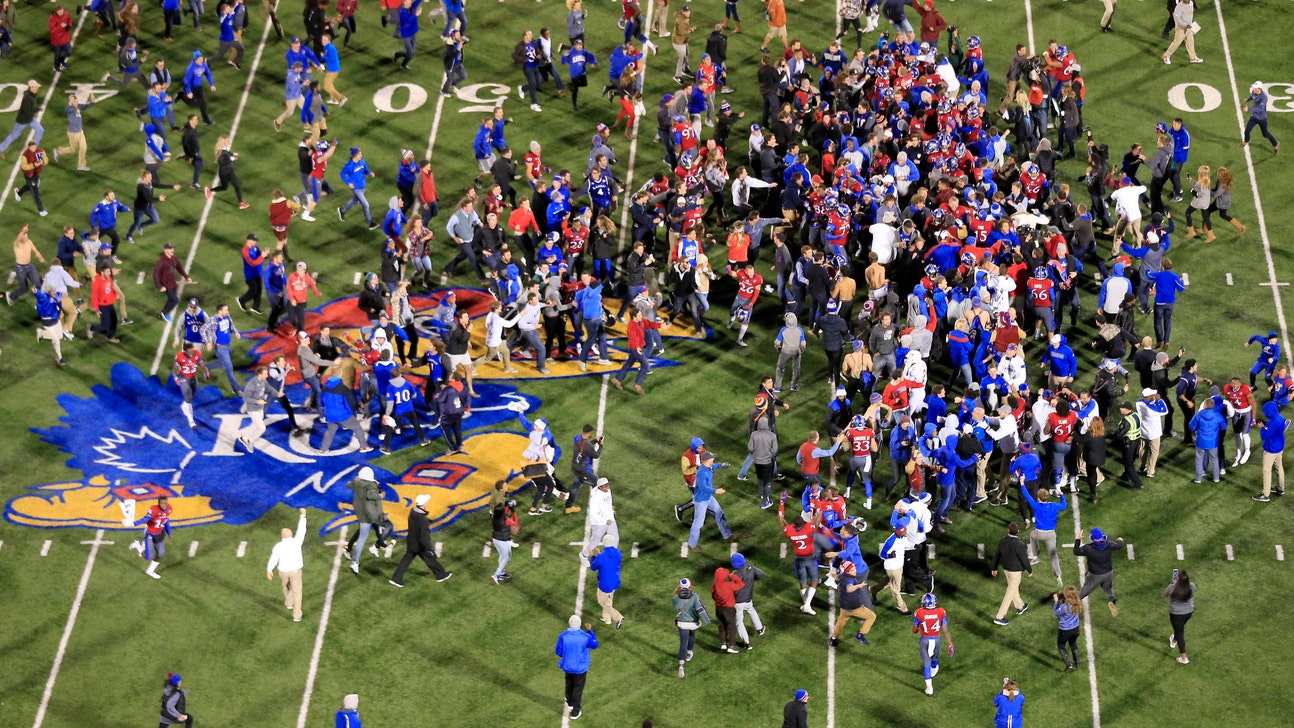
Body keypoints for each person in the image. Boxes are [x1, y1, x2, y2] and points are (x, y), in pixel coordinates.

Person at [266, 507, 308, 622]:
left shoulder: (278, 546)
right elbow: (302, 530)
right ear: (291, 535)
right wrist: (303, 516)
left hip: (283, 572)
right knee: (297, 592)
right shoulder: (296, 541)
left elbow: (273, 558)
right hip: (295, 571)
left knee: (286, 587)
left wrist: (269, 570)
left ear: (282, 536)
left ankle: (289, 603)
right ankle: (297, 615)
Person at [688, 451, 736, 549]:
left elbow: (714, 465)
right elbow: (703, 487)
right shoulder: (701, 472)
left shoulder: (708, 466)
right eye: (712, 458)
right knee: (698, 523)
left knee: (719, 513)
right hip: (701, 500)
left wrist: (722, 465)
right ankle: (692, 544)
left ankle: (727, 535)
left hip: (708, 497)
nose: (713, 459)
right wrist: (716, 491)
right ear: (707, 460)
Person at [555, 615, 598, 721]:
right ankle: (575, 712)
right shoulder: (585, 636)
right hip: (580, 668)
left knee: (569, 684)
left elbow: (558, 652)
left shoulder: (563, 636)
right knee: (578, 689)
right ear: (579, 624)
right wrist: (590, 631)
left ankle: (569, 702)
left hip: (568, 666)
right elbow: (594, 644)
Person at [1075, 527, 1125, 617]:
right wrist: (1119, 540)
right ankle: (1112, 599)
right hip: (1108, 572)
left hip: (1095, 575)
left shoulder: (1088, 548)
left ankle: (1075, 606)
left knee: (1083, 592)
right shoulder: (1109, 545)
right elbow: (1119, 545)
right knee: (1108, 587)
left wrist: (1078, 539)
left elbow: (1076, 551)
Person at [991, 521, 1033, 626]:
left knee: (1013, 589)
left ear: (1008, 530)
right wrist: (1029, 570)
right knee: (1010, 592)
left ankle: (1020, 606)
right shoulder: (1020, 544)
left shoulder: (1003, 541)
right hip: (1015, 571)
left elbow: (997, 555)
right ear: (1018, 531)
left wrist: (994, 568)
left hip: (1006, 569)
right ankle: (999, 617)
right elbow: (1024, 559)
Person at [913, 592, 954, 696]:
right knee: (934, 657)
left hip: (925, 640)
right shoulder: (941, 611)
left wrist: (917, 628)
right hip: (937, 639)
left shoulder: (919, 612)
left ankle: (929, 688)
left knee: (926, 663)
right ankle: (935, 667)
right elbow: (945, 630)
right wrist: (950, 644)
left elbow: (914, 630)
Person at [829, 560, 876, 647]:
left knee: (840, 623)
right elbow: (849, 588)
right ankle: (861, 635)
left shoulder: (842, 576)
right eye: (852, 570)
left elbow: (837, 577)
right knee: (872, 617)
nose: (854, 571)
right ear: (847, 571)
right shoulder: (850, 580)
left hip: (844, 608)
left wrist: (833, 574)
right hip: (855, 608)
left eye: (854, 568)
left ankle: (833, 639)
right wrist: (859, 586)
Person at [672, 577, 709, 678]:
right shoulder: (694, 596)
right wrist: (707, 620)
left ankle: (681, 666)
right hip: (693, 623)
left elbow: (675, 607)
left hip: (682, 623)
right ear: (690, 586)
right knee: (692, 635)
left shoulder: (675, 598)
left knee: (682, 643)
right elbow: (699, 609)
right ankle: (689, 653)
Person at [729, 552, 765, 649]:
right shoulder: (751, 568)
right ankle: (760, 628)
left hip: (738, 602)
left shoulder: (736, 574)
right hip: (748, 599)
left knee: (739, 622)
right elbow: (761, 574)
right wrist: (752, 578)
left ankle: (746, 642)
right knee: (751, 610)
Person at [0, 80, 44, 158]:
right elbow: (28, 110)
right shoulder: (27, 98)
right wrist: (38, 109)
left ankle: (33, 149)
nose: (37, 88)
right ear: (31, 87)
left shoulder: (33, 94)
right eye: (36, 87)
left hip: (29, 119)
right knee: (14, 135)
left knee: (40, 130)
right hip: (22, 121)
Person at [1254, 400, 1287, 501]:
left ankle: (1265, 494)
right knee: (1279, 467)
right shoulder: (1280, 417)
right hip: (1279, 447)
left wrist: (1262, 427)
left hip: (1271, 450)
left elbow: (1264, 436)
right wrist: (1266, 425)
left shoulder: (1272, 423)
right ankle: (1280, 489)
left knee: (1267, 471)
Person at [590, 541, 625, 628]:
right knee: (608, 598)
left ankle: (618, 618)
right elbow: (610, 561)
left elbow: (593, 567)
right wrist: (600, 555)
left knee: (602, 601)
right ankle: (606, 618)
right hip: (615, 581)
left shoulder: (601, 556)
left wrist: (593, 556)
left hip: (605, 583)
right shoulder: (618, 553)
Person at [711, 564, 745, 653]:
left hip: (718, 608)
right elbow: (741, 584)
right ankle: (732, 646)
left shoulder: (715, 585)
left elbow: (713, 595)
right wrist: (733, 576)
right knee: (731, 626)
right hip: (728, 609)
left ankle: (723, 643)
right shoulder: (728, 585)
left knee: (721, 626)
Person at [1165, 568, 1195, 664]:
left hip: (1176, 614)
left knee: (1180, 633)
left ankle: (1184, 657)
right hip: (1188, 612)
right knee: (1179, 629)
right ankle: (1173, 640)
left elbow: (1166, 594)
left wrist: (1172, 584)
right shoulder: (1191, 586)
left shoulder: (1173, 587)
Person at [583, 477, 618, 558]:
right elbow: (593, 514)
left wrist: (611, 511)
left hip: (609, 519)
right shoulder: (595, 498)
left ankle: (611, 556)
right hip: (599, 523)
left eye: (608, 485)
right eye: (605, 486)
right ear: (600, 487)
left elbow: (607, 503)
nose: (607, 487)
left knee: (615, 538)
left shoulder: (608, 491)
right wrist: (605, 521)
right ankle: (584, 555)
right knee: (595, 541)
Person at [1242, 81, 1280, 153]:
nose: (1253, 89)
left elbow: (1260, 109)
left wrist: (1248, 109)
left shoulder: (1264, 97)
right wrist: (1247, 100)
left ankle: (1276, 144)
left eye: (1255, 88)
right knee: (1247, 131)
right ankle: (1247, 140)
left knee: (1265, 134)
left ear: (1259, 88)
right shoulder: (1254, 92)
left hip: (1261, 118)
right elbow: (1252, 97)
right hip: (1254, 117)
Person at [1160, 0, 1201, 65]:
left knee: (1190, 41)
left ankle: (1193, 58)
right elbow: (1178, 19)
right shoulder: (1179, 7)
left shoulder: (1190, 3)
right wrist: (1186, 25)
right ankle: (1166, 56)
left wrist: (1191, 23)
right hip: (1181, 27)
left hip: (1188, 26)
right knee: (1177, 42)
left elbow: (1191, 13)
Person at [1052, 585, 1082, 671]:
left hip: (1065, 630)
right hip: (1076, 628)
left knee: (1061, 646)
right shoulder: (1077, 602)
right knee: (1073, 643)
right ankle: (1078, 662)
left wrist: (1056, 601)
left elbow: (1056, 613)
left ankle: (1069, 664)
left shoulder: (1065, 607)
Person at [490, 487, 515, 585]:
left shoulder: (494, 517)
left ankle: (502, 573)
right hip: (503, 540)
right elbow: (514, 523)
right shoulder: (504, 520)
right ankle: (496, 574)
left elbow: (503, 511)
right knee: (506, 558)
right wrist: (513, 510)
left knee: (504, 557)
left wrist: (509, 505)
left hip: (496, 539)